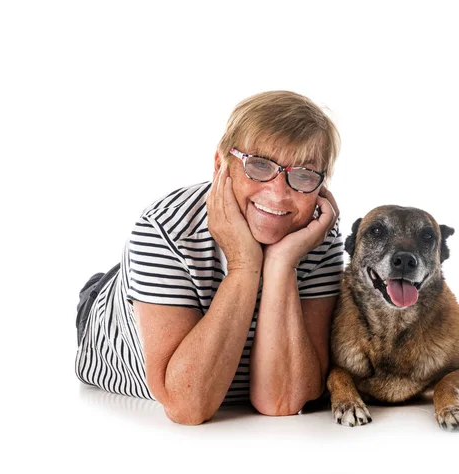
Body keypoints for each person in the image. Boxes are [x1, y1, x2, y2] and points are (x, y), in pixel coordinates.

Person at [75, 91, 344, 425]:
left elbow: (283, 401)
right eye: (259, 165)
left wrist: (280, 264)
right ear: (221, 164)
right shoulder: (162, 228)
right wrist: (245, 267)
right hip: (107, 322)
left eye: (303, 174)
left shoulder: (317, 232)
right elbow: (187, 406)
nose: (279, 193)